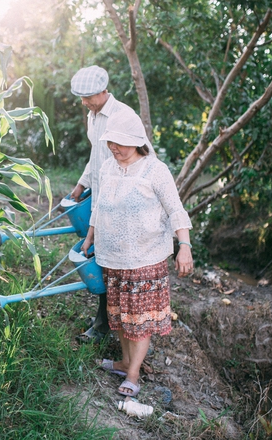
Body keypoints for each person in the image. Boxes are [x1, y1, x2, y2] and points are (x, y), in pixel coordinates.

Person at [80, 110, 193, 397]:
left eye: (120, 143)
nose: (114, 148)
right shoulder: (108, 167)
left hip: (145, 258)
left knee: (139, 320)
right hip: (112, 256)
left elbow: (175, 209)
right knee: (119, 314)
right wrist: (91, 235)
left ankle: (133, 374)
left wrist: (184, 246)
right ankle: (124, 361)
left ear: (136, 141)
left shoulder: (155, 170)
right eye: (111, 142)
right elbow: (99, 205)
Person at [69, 66, 153, 345]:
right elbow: (97, 157)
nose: (83, 103)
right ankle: (105, 320)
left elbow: (142, 160)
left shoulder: (123, 117)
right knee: (103, 258)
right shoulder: (93, 116)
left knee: (113, 262)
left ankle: (110, 326)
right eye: (81, 98)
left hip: (121, 202)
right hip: (102, 197)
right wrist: (82, 184)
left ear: (103, 91)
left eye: (87, 97)